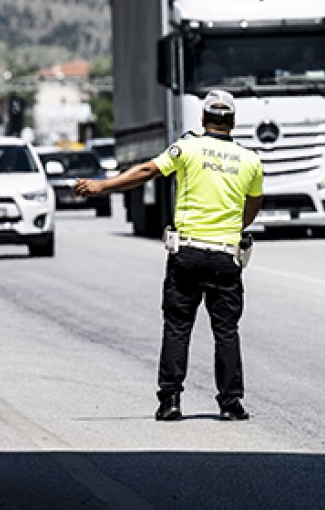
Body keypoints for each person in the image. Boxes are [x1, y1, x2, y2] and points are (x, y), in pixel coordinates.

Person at [74, 90, 264, 422]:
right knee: (227, 331)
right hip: (225, 258)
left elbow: (148, 170)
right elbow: (252, 207)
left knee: (177, 326)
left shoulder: (187, 148)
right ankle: (230, 404)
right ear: (233, 122)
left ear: (203, 120)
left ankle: (170, 401)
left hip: (187, 253)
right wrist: (231, 228)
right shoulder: (250, 160)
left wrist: (103, 186)